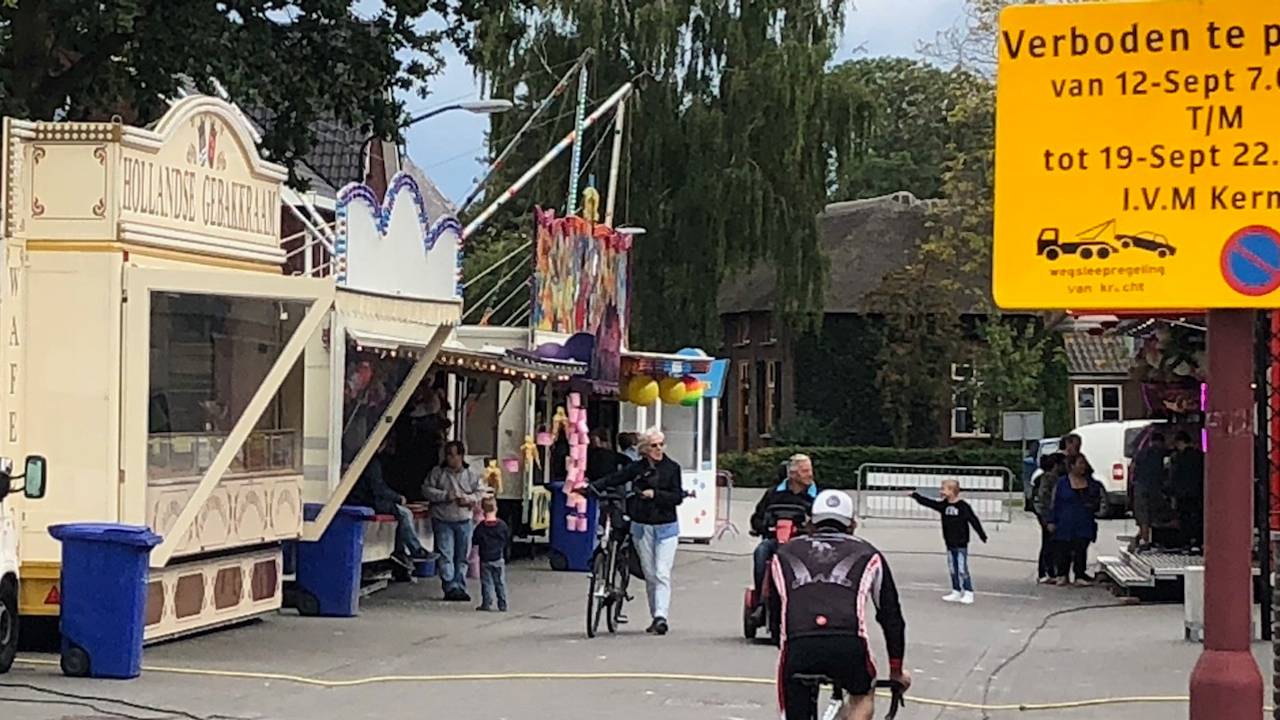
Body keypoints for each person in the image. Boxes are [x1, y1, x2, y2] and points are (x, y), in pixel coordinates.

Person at [774, 489, 910, 720]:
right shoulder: (868, 552)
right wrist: (896, 670)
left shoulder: (784, 552)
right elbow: (891, 616)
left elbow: (776, 608)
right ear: (852, 525)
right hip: (848, 641)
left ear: (810, 523)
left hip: (799, 643)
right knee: (862, 694)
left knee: (795, 702)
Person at [588, 429, 683, 635]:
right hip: (641, 526)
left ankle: (661, 616)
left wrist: (655, 494)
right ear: (645, 449)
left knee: (661, 572)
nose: (659, 449)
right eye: (654, 445)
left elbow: (677, 497)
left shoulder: (672, 468)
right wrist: (591, 488)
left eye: (661, 444)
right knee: (649, 573)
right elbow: (616, 478)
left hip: (666, 527)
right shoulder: (637, 467)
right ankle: (655, 615)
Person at [748, 454, 817, 617]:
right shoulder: (773, 494)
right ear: (792, 474)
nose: (810, 475)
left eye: (810, 470)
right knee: (761, 552)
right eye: (805, 471)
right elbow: (757, 518)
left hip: (803, 542)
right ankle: (761, 600)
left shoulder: (817, 496)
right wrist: (763, 527)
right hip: (775, 540)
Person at [345, 443, 430, 570]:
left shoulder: (367, 460)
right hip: (369, 501)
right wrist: (397, 497)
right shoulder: (373, 464)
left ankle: (402, 550)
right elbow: (378, 488)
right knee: (405, 513)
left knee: (403, 514)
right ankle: (413, 550)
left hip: (365, 499)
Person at [423, 441, 486, 601]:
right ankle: (450, 586)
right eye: (448, 455)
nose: (451, 459)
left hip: (464, 519)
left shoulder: (471, 474)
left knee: (462, 555)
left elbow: (480, 492)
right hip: (442, 519)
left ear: (461, 456)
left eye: (454, 455)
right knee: (446, 554)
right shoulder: (437, 473)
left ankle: (460, 585)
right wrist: (445, 496)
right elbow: (426, 490)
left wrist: (468, 499)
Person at [909, 480, 988, 604]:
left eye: (944, 489)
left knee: (962, 568)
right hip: (949, 543)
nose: (941, 491)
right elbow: (930, 503)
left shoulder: (963, 506)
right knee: (952, 568)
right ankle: (956, 590)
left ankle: (968, 591)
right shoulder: (944, 506)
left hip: (961, 543)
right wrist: (916, 496)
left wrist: (982, 535)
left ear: (952, 491)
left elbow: (973, 520)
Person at [1050, 454, 1105, 586]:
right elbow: (1055, 502)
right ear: (1071, 466)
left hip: (1084, 521)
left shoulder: (1091, 483)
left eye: (1083, 463)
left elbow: (1097, 501)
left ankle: (1079, 574)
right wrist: (1051, 520)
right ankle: (1062, 574)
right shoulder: (1062, 483)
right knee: (1063, 549)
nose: (1082, 466)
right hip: (1065, 522)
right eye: (1080, 463)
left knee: (1081, 548)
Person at [1131, 431, 1169, 551]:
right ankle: (1145, 540)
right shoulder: (1161, 454)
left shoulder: (1141, 453)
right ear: (1160, 442)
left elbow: (1133, 470)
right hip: (1154, 489)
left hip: (1140, 487)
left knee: (1143, 517)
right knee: (1154, 516)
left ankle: (1143, 540)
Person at [1032, 453, 1067, 583]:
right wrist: (1047, 518)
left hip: (1049, 514)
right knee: (1048, 543)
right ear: (1056, 465)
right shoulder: (1049, 478)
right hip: (1047, 515)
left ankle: (1049, 571)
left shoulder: (1053, 478)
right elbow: (1045, 499)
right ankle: (1046, 571)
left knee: (1050, 544)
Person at [472, 496, 510, 612]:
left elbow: (475, 541)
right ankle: (502, 603)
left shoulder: (481, 527)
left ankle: (487, 603)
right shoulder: (502, 525)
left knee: (486, 582)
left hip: (485, 559)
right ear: (496, 508)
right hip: (498, 558)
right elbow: (506, 539)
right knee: (500, 582)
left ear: (482, 510)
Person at [1170, 431, 1205, 552]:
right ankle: (1198, 541)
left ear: (1180, 442)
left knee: (1185, 519)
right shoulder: (1199, 455)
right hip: (1197, 492)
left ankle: (1186, 542)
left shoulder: (1178, 457)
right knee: (1197, 517)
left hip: (1183, 494)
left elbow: (1174, 476)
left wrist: (1172, 491)